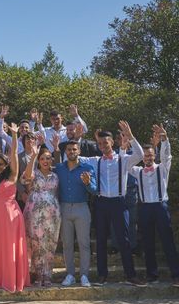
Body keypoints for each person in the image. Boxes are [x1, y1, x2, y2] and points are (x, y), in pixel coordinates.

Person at [80, 121, 146, 286]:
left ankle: (130, 275)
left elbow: (140, 155)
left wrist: (130, 136)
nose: (103, 145)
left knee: (123, 239)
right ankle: (102, 275)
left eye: (105, 142)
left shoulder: (123, 160)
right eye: (100, 143)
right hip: (101, 203)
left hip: (119, 202)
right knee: (101, 239)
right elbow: (75, 157)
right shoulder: (96, 160)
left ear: (112, 142)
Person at [0, 123, 30, 292]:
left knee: (10, 246)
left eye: (1, 164)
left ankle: (11, 278)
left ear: (6, 164)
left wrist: (15, 135)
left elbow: (14, 154)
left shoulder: (13, 175)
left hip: (11, 214)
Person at [129, 124, 179, 285]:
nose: (148, 158)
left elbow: (167, 156)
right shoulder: (138, 171)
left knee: (167, 241)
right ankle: (152, 274)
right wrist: (127, 145)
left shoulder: (163, 168)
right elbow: (126, 165)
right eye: (145, 156)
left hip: (160, 207)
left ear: (154, 156)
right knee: (148, 242)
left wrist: (164, 139)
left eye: (150, 155)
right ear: (142, 158)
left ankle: (176, 274)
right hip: (145, 208)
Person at [53, 140, 97, 287]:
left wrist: (88, 183)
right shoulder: (59, 168)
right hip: (64, 208)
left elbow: (95, 190)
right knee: (67, 244)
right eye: (69, 150)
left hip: (82, 208)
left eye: (74, 149)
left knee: (84, 244)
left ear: (79, 151)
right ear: (66, 152)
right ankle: (70, 274)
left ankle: (84, 275)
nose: (72, 152)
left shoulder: (88, 168)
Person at [21, 145, 61, 287]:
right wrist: (33, 156)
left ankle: (48, 275)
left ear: (51, 160)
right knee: (36, 243)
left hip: (52, 215)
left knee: (49, 244)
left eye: (48, 158)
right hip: (34, 214)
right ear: (38, 161)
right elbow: (26, 177)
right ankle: (37, 275)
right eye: (42, 158)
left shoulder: (55, 175)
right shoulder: (34, 173)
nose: (45, 161)